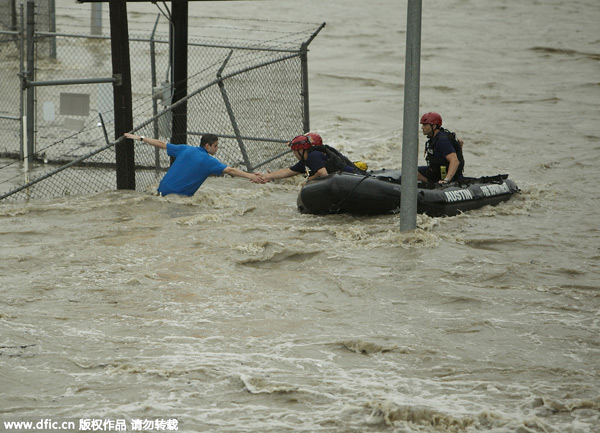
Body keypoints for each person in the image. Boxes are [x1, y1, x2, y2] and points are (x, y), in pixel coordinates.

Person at [124, 132, 264, 196]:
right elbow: (231, 171)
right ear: (207, 146)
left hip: (161, 190)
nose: (217, 148)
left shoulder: (185, 148)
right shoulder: (210, 162)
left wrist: (140, 138)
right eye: (215, 146)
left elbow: (161, 144)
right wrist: (251, 176)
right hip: (176, 198)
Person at [259, 132, 365, 183]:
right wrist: (267, 176)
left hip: (353, 178)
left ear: (301, 150)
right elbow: (287, 171)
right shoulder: (307, 159)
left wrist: (308, 180)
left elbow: (323, 174)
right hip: (347, 179)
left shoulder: (313, 156)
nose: (294, 154)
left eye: (294, 151)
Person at [417, 112, 465, 184]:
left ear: (434, 126)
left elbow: (455, 161)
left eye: (425, 125)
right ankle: (430, 183)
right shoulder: (434, 138)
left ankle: (432, 184)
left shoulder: (442, 140)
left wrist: (446, 180)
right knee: (412, 171)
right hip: (436, 171)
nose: (422, 127)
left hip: (448, 175)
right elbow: (460, 142)